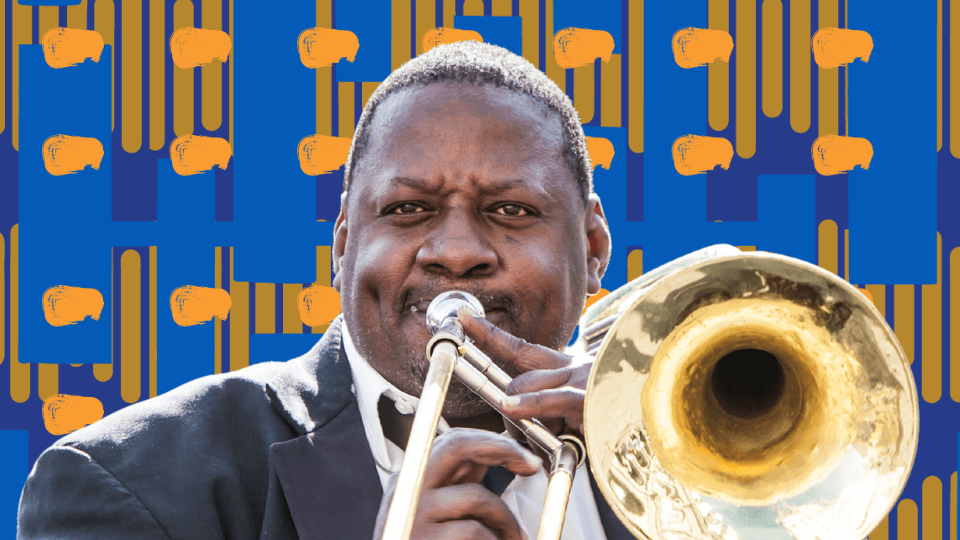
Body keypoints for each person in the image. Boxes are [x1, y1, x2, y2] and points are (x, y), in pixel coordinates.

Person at [18, 41, 626, 540]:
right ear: (342, 247)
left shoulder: (706, 462)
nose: (457, 251)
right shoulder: (120, 484)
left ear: (594, 249)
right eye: (408, 208)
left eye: (512, 209)